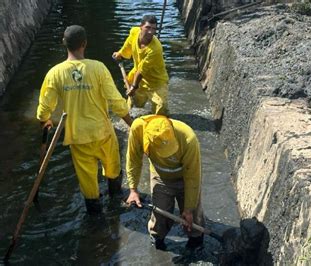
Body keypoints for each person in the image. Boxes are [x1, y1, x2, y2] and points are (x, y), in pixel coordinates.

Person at [36, 25, 133, 214]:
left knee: (88, 182)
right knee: (113, 169)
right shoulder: (98, 68)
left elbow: (44, 109)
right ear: (85, 44)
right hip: (103, 133)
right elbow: (116, 102)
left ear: (64, 44)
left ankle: (96, 222)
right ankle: (116, 202)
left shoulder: (55, 73)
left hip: (77, 137)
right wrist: (133, 124)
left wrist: (45, 121)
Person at [125, 115, 204, 250]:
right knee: (160, 216)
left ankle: (195, 243)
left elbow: (192, 177)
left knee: (193, 219)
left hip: (184, 178)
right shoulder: (138, 129)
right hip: (160, 175)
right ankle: (157, 241)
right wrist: (133, 189)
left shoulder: (188, 139)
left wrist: (189, 209)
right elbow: (133, 159)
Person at [112, 15, 169, 115]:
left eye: (154, 29)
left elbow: (141, 71)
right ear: (141, 27)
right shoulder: (134, 32)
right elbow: (129, 44)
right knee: (133, 107)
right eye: (148, 28)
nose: (151, 32)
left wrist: (133, 87)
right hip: (139, 79)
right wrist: (120, 54)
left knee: (161, 109)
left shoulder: (155, 49)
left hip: (156, 81)